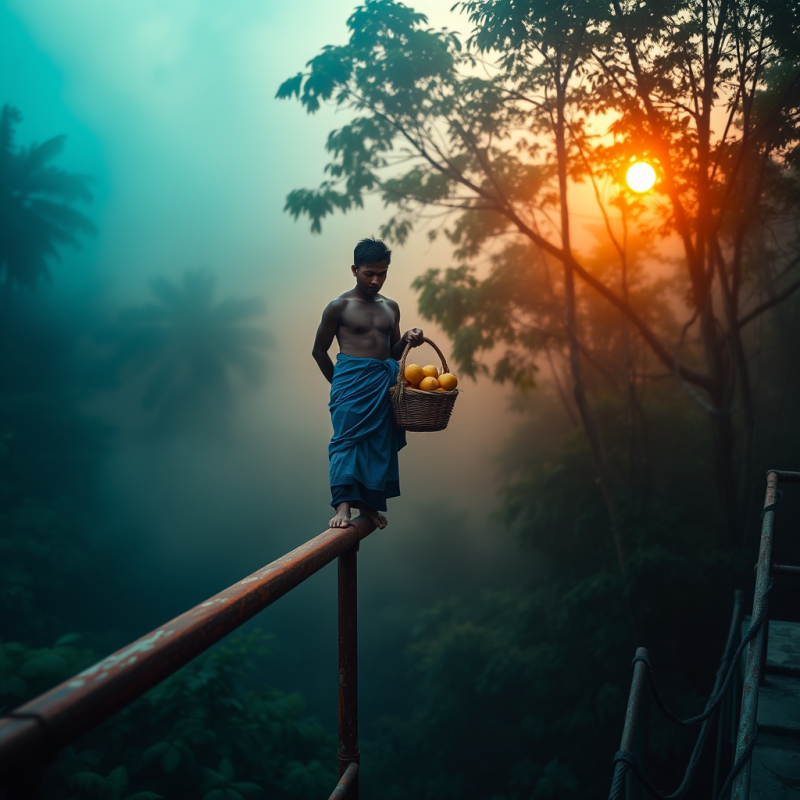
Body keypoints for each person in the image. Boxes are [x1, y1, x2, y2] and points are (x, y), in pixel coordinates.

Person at [312, 237, 424, 529]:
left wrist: (408, 337)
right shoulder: (339, 307)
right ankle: (343, 506)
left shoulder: (391, 307)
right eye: (369, 273)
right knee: (346, 442)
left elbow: (392, 353)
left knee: (378, 445)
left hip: (382, 382)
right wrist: (339, 383)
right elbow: (318, 351)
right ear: (354, 269)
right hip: (350, 384)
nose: (376, 280)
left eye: (382, 273)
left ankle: (369, 506)